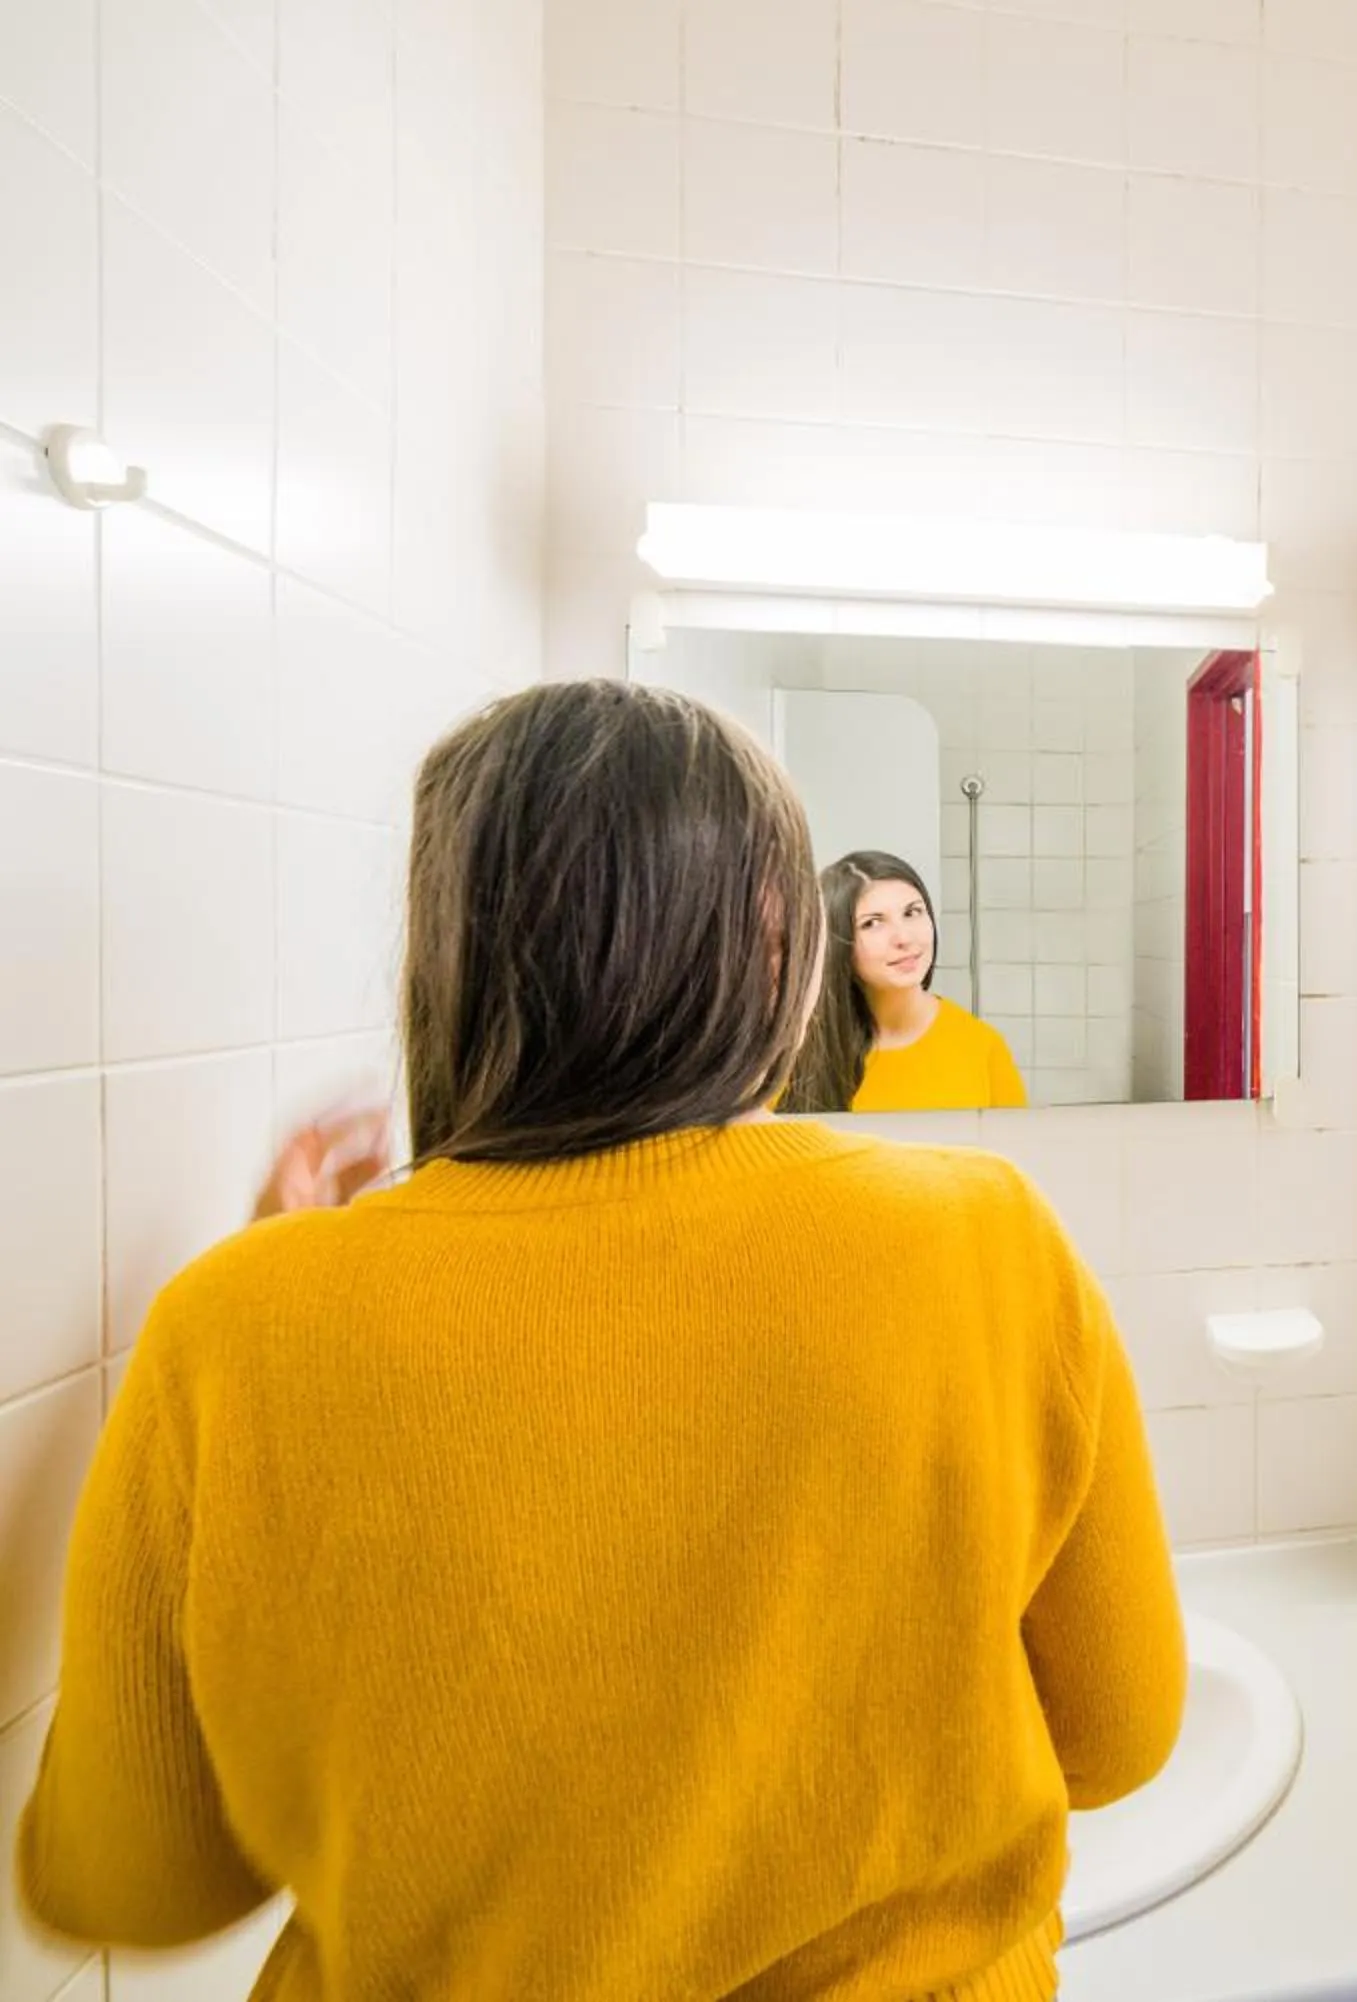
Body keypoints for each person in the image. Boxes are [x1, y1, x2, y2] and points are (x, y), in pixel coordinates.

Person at [17, 682, 1183, 1999]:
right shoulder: (980, 1236)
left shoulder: (234, 1325)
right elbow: (1120, 1734)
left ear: (446, 951)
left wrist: (295, 1287)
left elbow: (128, 1876)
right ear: (785, 946)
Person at [786, 851, 1030, 1114]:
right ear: (838, 941)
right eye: (872, 923)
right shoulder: (797, 1055)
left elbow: (1017, 1150)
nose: (903, 937)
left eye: (912, 912)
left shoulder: (982, 1047)